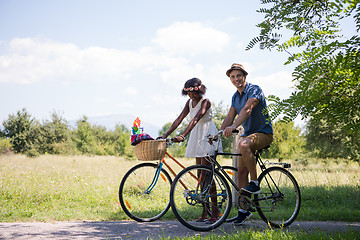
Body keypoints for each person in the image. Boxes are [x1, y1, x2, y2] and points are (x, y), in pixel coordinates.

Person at [159, 77, 221, 223]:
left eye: (193, 93)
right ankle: (205, 210)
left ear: (200, 90)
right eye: (189, 94)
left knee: (207, 174)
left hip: (207, 135)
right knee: (200, 174)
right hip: (196, 135)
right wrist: (165, 135)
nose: (191, 96)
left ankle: (215, 208)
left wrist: (183, 135)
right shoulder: (189, 102)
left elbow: (196, 119)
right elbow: (180, 118)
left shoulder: (205, 101)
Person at [220, 63, 273, 225]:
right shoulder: (235, 97)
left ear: (245, 76)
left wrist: (234, 127)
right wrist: (218, 133)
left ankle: (255, 183)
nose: (236, 79)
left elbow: (248, 109)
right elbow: (230, 117)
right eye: (233, 77)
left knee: (243, 144)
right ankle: (244, 211)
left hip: (264, 134)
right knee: (241, 172)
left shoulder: (254, 89)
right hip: (248, 136)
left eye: (239, 76)